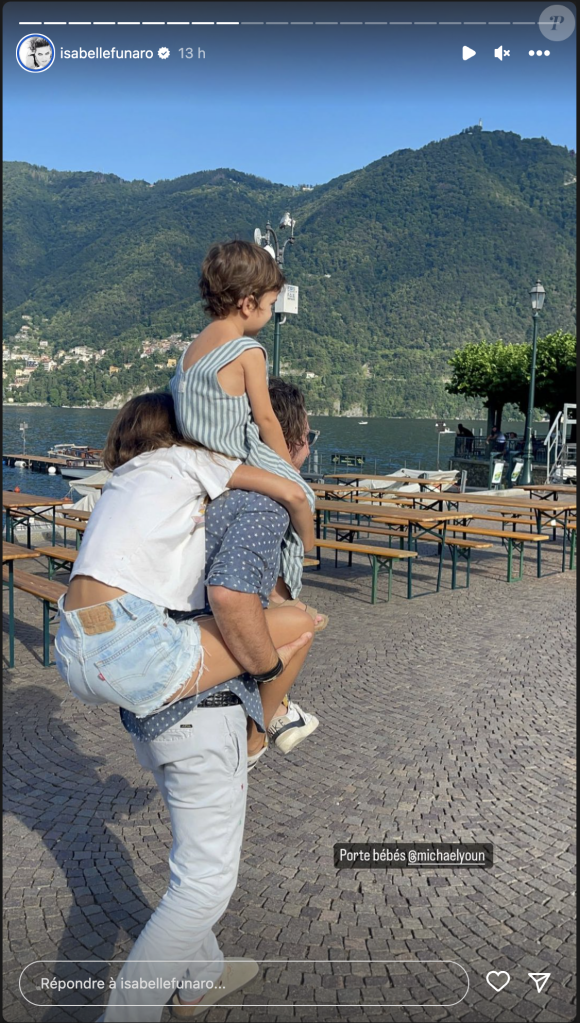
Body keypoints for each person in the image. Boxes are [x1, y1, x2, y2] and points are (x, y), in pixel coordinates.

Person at [99, 381, 320, 1022]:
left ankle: (200, 975)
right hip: (205, 714)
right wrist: (272, 669)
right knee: (202, 887)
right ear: (295, 442)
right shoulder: (256, 503)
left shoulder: (192, 492)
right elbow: (236, 600)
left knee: (192, 858)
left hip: (153, 708)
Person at [54, 392, 315, 721]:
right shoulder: (186, 457)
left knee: (255, 620)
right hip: (129, 645)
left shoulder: (121, 479)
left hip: (71, 645)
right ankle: (266, 726)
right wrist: (308, 543)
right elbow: (291, 492)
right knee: (299, 626)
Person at [170, 239, 327, 632]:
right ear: (248, 302)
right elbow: (267, 420)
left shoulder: (190, 351)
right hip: (231, 455)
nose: (271, 313)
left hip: (194, 456)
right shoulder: (246, 350)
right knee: (300, 495)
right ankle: (300, 566)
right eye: (271, 305)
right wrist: (286, 472)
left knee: (291, 497)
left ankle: (281, 587)